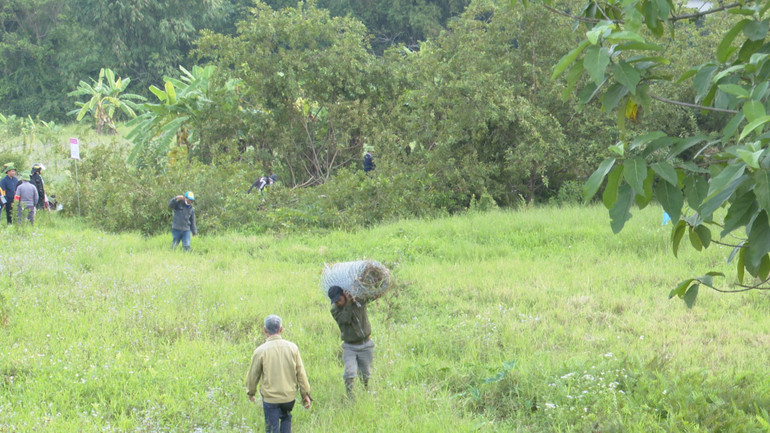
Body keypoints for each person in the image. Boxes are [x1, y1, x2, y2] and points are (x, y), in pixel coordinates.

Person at [246, 315, 312, 433]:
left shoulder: (260, 351)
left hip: (270, 399)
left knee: (272, 428)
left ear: (265, 330)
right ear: (281, 329)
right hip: (289, 398)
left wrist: (251, 392)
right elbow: (301, 374)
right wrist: (305, 394)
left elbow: (253, 375)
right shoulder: (293, 348)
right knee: (286, 418)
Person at [328, 285, 374, 397]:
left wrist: (356, 297)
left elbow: (370, 296)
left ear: (345, 294)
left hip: (366, 344)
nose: (338, 303)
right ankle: (351, 397)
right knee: (349, 373)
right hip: (350, 346)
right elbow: (345, 319)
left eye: (340, 299)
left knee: (366, 374)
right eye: (336, 301)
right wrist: (348, 303)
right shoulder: (335, 309)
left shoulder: (358, 301)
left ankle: (365, 391)